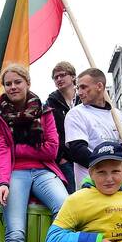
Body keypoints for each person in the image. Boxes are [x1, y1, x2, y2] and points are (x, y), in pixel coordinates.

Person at [0, 63, 69, 242]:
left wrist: (16, 149)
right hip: (13, 173)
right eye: (8, 83)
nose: (12, 87)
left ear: (27, 83)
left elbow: (51, 151)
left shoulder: (46, 111)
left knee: (65, 207)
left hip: (42, 170)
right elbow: (0, 153)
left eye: (17, 82)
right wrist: (2, 182)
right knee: (15, 231)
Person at [63, 68, 122, 188]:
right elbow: (78, 152)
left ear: (99, 86)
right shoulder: (75, 114)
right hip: (90, 188)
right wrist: (118, 170)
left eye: (84, 87)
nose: (79, 93)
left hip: (118, 187)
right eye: (78, 88)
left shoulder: (116, 114)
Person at [45, 61, 79, 193]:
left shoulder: (83, 98)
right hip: (66, 160)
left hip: (85, 155)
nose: (59, 79)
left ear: (73, 76)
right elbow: (49, 131)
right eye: (55, 77)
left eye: (62, 75)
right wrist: (60, 158)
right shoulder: (51, 103)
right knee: (72, 195)